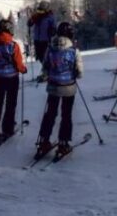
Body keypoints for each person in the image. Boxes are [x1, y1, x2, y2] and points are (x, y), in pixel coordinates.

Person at [36, 22, 84, 158]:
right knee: (66, 115)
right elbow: (80, 72)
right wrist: (74, 74)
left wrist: (47, 75)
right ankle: (63, 143)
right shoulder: (74, 50)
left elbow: (45, 67)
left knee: (50, 114)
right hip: (69, 87)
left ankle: (43, 141)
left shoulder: (50, 48)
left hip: (53, 86)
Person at [0, 18, 28, 144]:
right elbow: (18, 63)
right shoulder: (13, 45)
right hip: (11, 78)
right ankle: (7, 128)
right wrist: (23, 69)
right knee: (11, 104)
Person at [29, 2, 56, 81]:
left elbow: (54, 27)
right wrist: (31, 19)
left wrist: (52, 31)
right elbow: (30, 23)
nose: (41, 12)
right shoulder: (37, 16)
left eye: (42, 10)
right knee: (40, 57)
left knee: (45, 57)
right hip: (37, 39)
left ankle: (48, 73)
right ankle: (46, 73)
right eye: (40, 10)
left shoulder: (50, 17)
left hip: (46, 40)